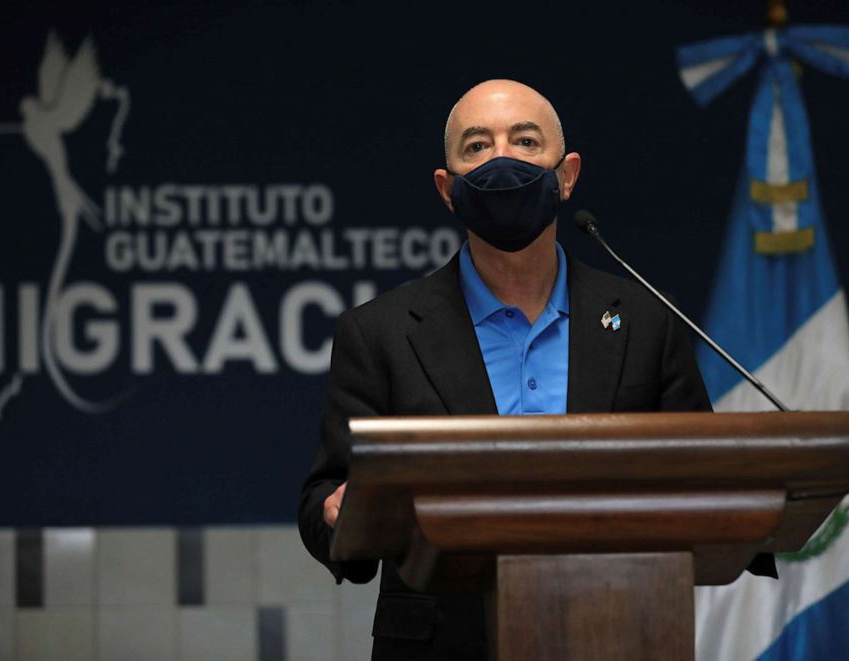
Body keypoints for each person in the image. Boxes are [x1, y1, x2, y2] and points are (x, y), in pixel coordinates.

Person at [298, 79, 764, 660]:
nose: (501, 160)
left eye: (524, 141)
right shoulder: (380, 333)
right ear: (447, 189)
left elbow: (701, 470)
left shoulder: (645, 318)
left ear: (567, 175)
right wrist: (334, 514)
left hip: (619, 632)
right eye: (476, 146)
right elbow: (329, 491)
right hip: (443, 644)